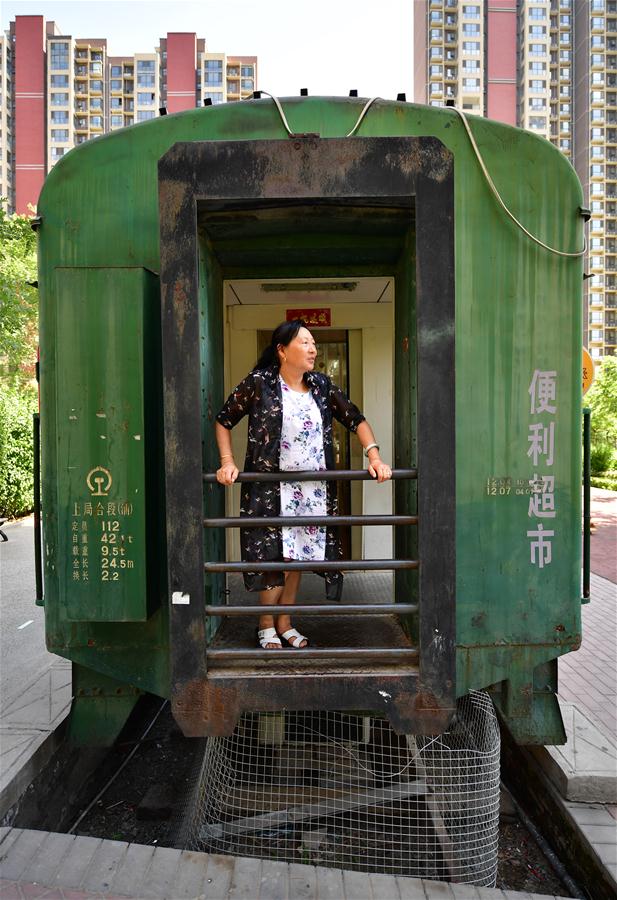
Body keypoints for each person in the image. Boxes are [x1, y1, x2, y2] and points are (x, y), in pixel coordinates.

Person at [215, 319, 391, 650]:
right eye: (305, 342)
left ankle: (286, 621)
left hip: (312, 489)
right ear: (282, 350)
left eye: (314, 343)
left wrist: (375, 457)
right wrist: (227, 462)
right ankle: (266, 624)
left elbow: (356, 419)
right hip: (270, 489)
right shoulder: (260, 383)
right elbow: (224, 420)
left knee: (298, 557)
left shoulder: (322, 386)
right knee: (275, 556)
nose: (313, 348)